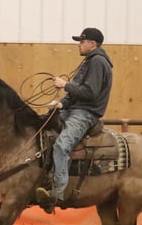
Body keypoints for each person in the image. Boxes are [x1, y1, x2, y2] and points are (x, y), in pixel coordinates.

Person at [35, 27, 113, 214]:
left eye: (81, 41)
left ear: (92, 44)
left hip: (85, 113)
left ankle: (57, 191)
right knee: (42, 128)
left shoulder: (98, 62)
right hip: (74, 109)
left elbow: (90, 92)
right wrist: (60, 104)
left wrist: (65, 85)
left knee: (62, 145)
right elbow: (77, 91)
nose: (79, 45)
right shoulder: (89, 62)